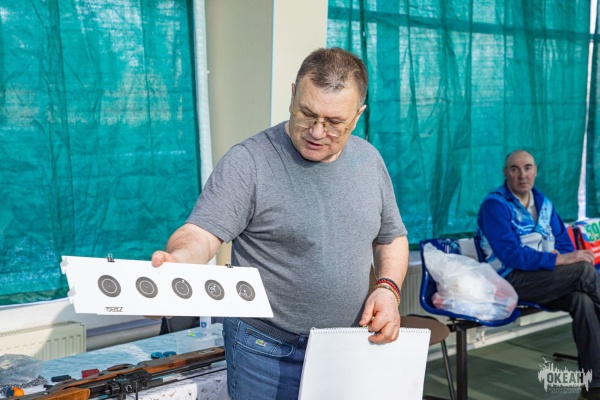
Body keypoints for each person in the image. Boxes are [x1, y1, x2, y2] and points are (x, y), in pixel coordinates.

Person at [151, 47, 409, 399]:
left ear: (358, 114)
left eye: (334, 122)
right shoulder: (250, 161)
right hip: (264, 349)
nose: (317, 131)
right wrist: (178, 262)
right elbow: (201, 233)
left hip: (346, 345)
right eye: (307, 113)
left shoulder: (369, 160)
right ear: (292, 94)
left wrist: (388, 289)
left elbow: (390, 237)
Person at [477, 149, 600, 400]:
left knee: (582, 300)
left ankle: (594, 388)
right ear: (506, 173)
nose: (522, 175)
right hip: (509, 281)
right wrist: (557, 259)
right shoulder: (494, 205)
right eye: (515, 169)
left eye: (528, 168)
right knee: (584, 271)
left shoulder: (544, 204)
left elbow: (564, 245)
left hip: (543, 279)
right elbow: (511, 255)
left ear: (536, 171)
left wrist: (560, 257)